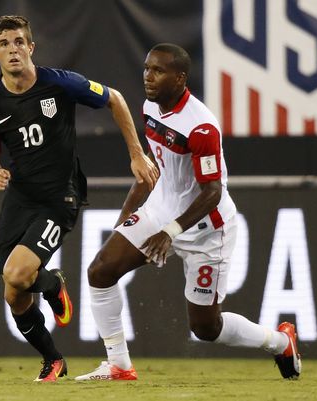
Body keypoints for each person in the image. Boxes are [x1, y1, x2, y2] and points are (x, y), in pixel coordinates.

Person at [75, 43, 301, 381]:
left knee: (206, 328)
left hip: (206, 229)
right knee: (100, 271)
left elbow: (213, 192)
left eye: (158, 70)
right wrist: (125, 217)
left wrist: (170, 232)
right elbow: (154, 168)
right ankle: (119, 365)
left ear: (180, 78)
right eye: (147, 68)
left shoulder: (201, 127)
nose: (148, 76)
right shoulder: (150, 108)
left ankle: (280, 342)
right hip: (160, 211)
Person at [0, 16, 159, 382]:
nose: (13, 49)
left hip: (60, 197)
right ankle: (53, 360)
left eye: (19, 42)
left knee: (17, 273)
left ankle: (52, 284)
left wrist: (137, 153)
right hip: (21, 197)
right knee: (13, 292)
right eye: (5, 44)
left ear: (31, 47)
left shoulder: (58, 83)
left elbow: (115, 99)